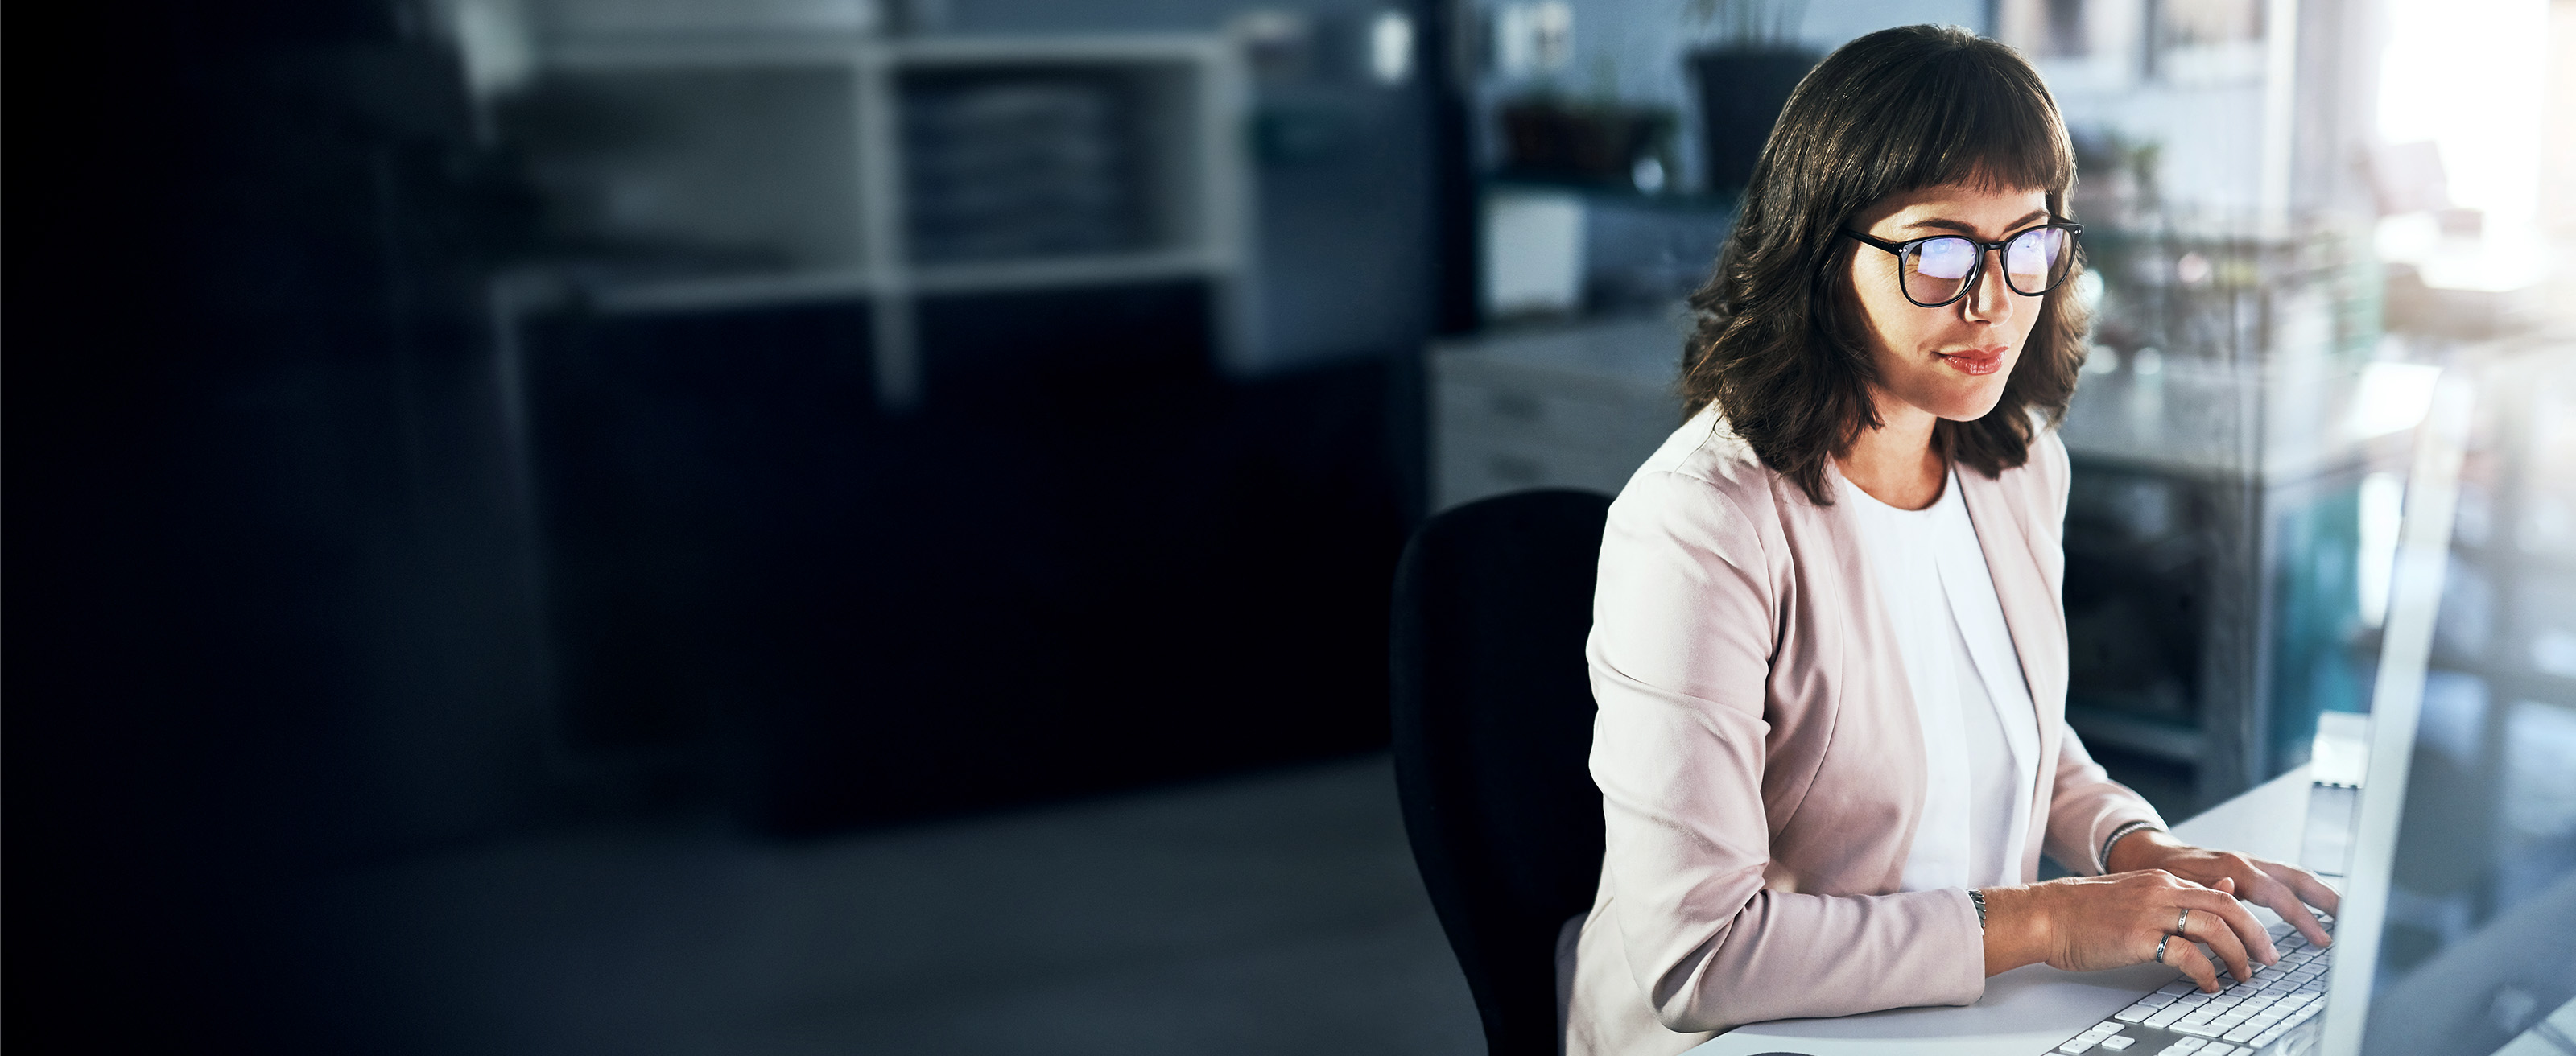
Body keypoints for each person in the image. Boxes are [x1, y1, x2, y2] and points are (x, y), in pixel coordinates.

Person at [1562, 24, 2342, 1055]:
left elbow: (2014, 731)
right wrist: (2051, 922)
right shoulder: (1701, 527)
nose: (1993, 301)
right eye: (1936, 250)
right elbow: (1699, 954)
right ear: (1820, 252)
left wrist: (2131, 846)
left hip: (1962, 1017)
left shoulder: (2014, 463)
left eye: (2027, 244)